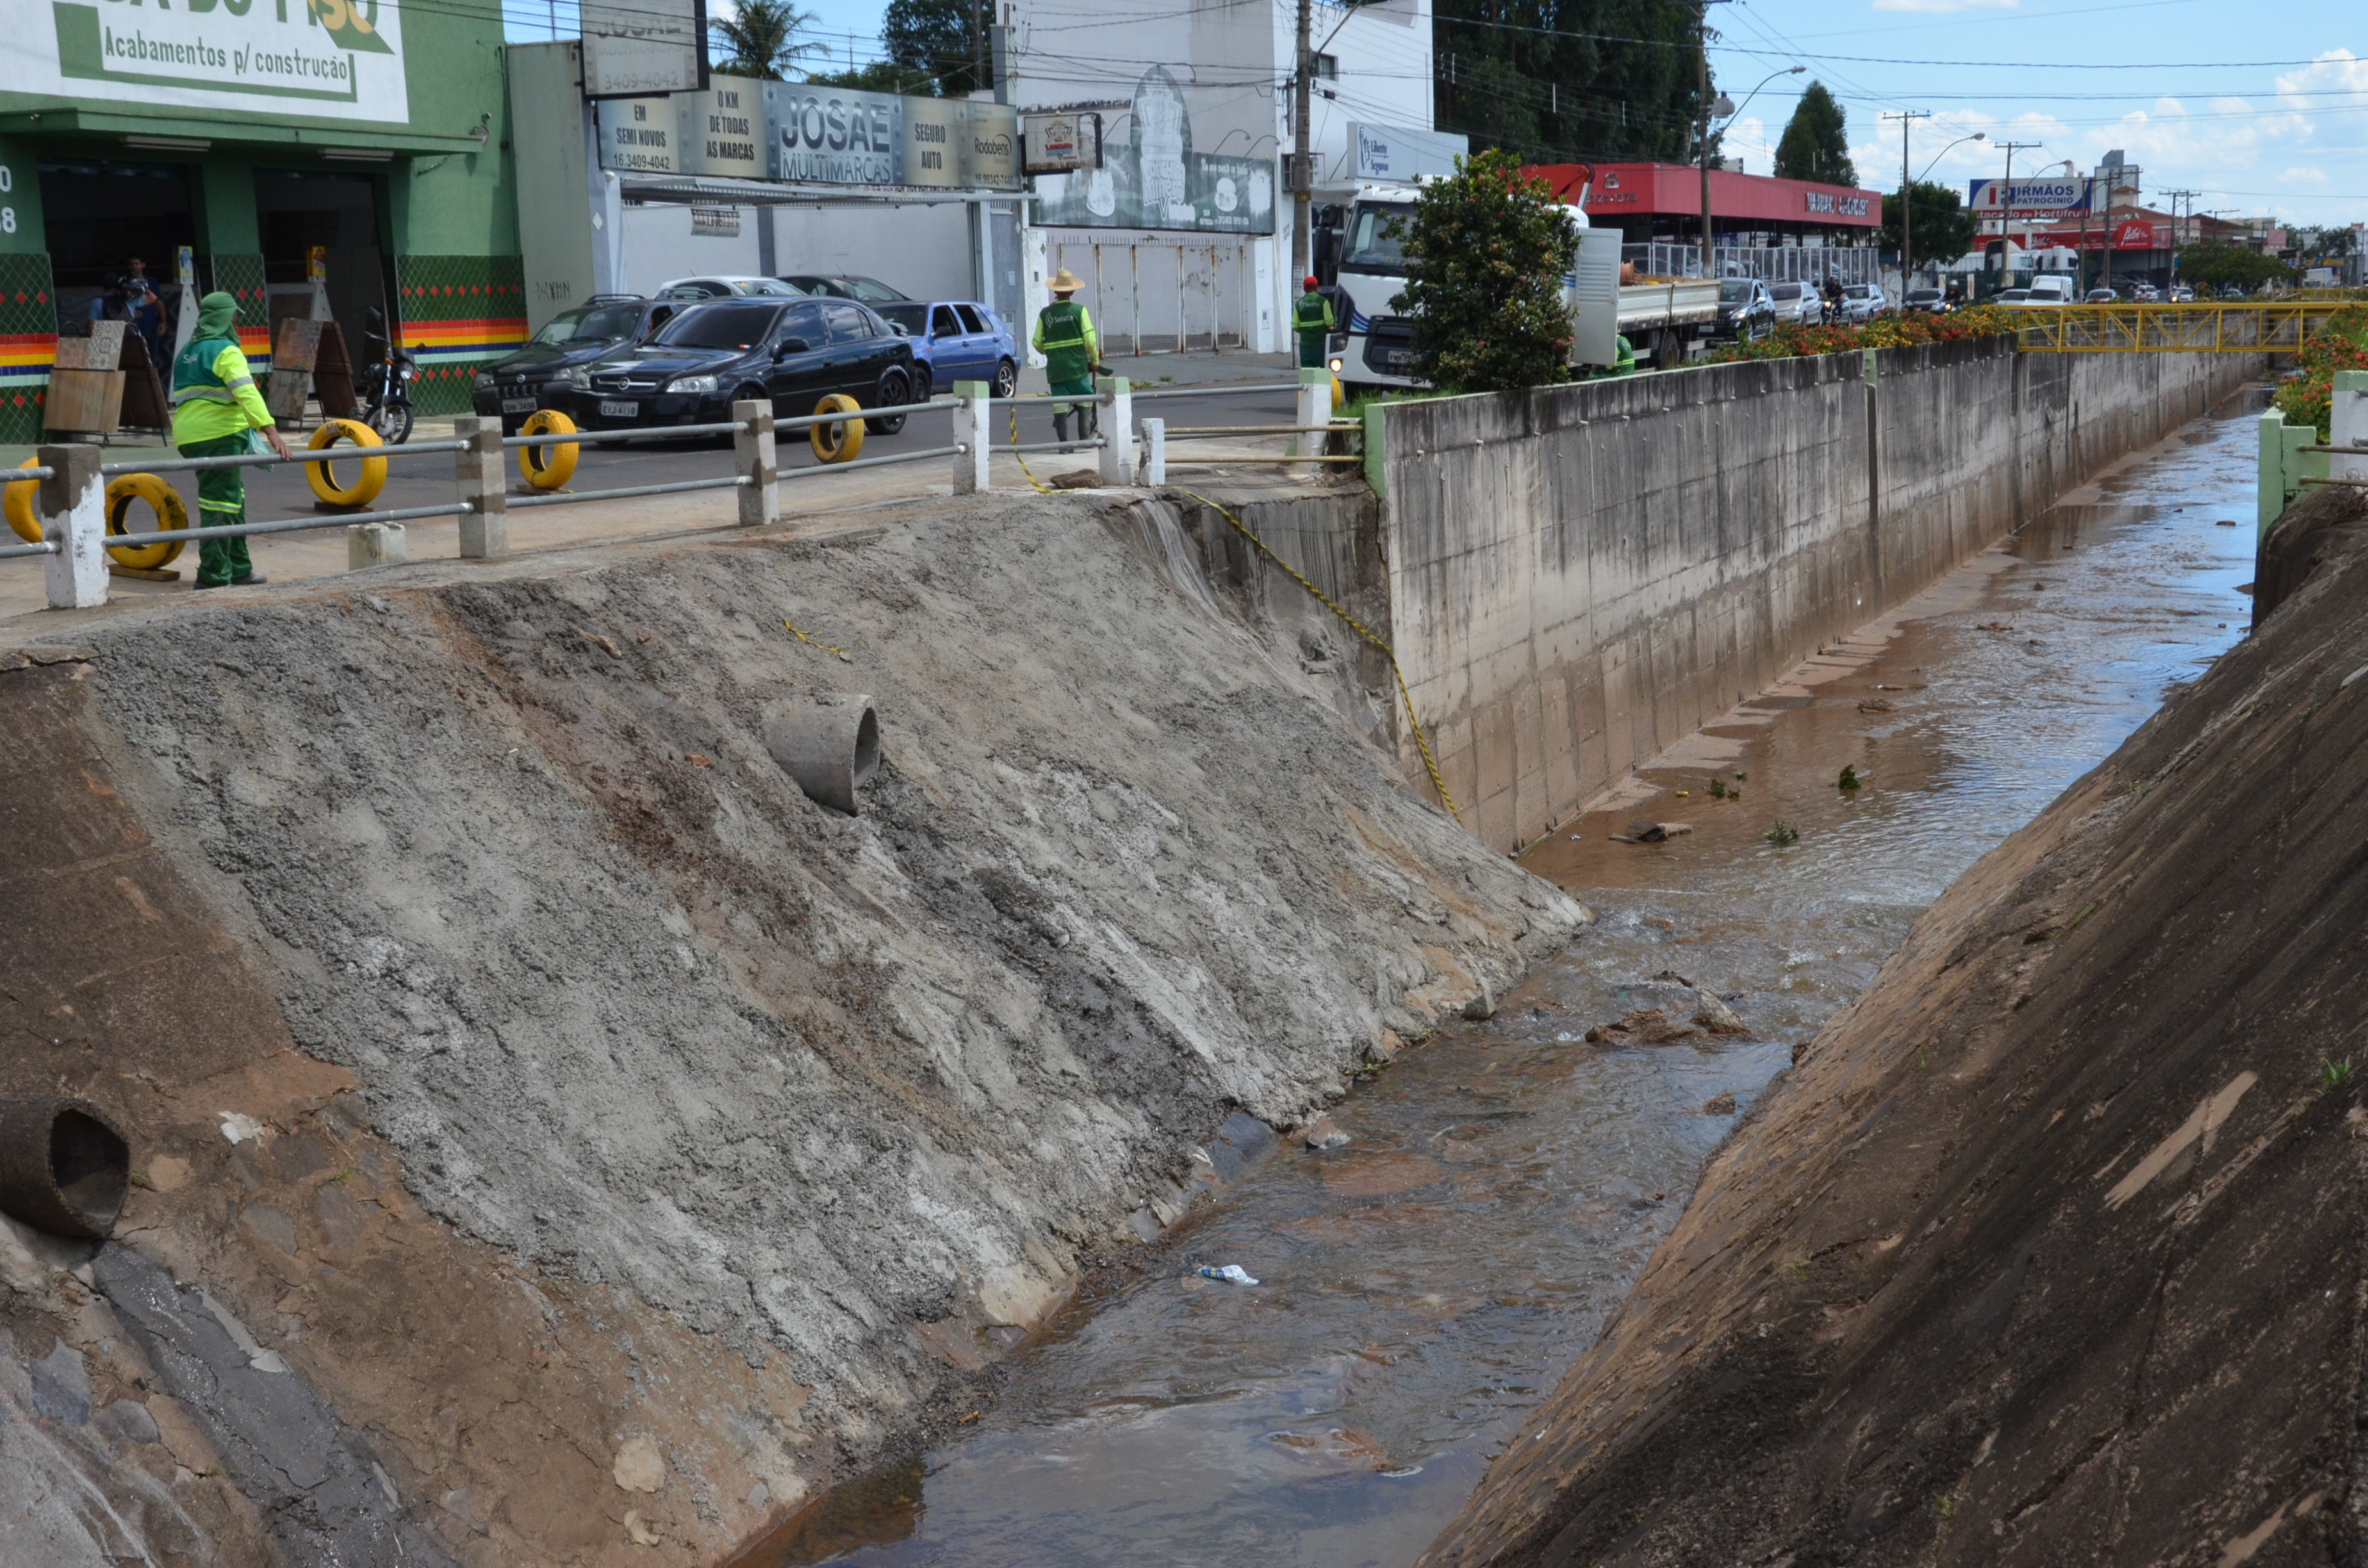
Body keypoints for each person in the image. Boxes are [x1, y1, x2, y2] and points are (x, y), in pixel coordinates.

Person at [171, 291, 293, 590]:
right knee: (219, 505)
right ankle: (213, 576)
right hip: (218, 435)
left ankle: (239, 569)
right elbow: (246, 392)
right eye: (233, 316)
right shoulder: (225, 350)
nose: (236, 321)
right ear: (224, 318)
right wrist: (270, 430)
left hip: (189, 435)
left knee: (232, 502)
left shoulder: (188, 350)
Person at [1033, 268, 1103, 444]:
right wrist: (1094, 361)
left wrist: (1049, 352)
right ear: (1072, 291)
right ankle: (1084, 440)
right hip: (1077, 368)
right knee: (1086, 399)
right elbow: (1090, 340)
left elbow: (1036, 343)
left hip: (1056, 370)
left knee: (1060, 405)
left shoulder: (1045, 314)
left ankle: (1064, 445)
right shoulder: (1080, 311)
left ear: (1056, 291)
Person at [1292, 275, 1335, 370]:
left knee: (1307, 371)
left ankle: (1308, 385)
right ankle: (1321, 384)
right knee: (1321, 372)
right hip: (1321, 344)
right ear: (1317, 288)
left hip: (1305, 345)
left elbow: (1295, 325)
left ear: (1304, 289)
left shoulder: (1299, 304)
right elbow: (1329, 322)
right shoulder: (1323, 302)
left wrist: (1304, 330)